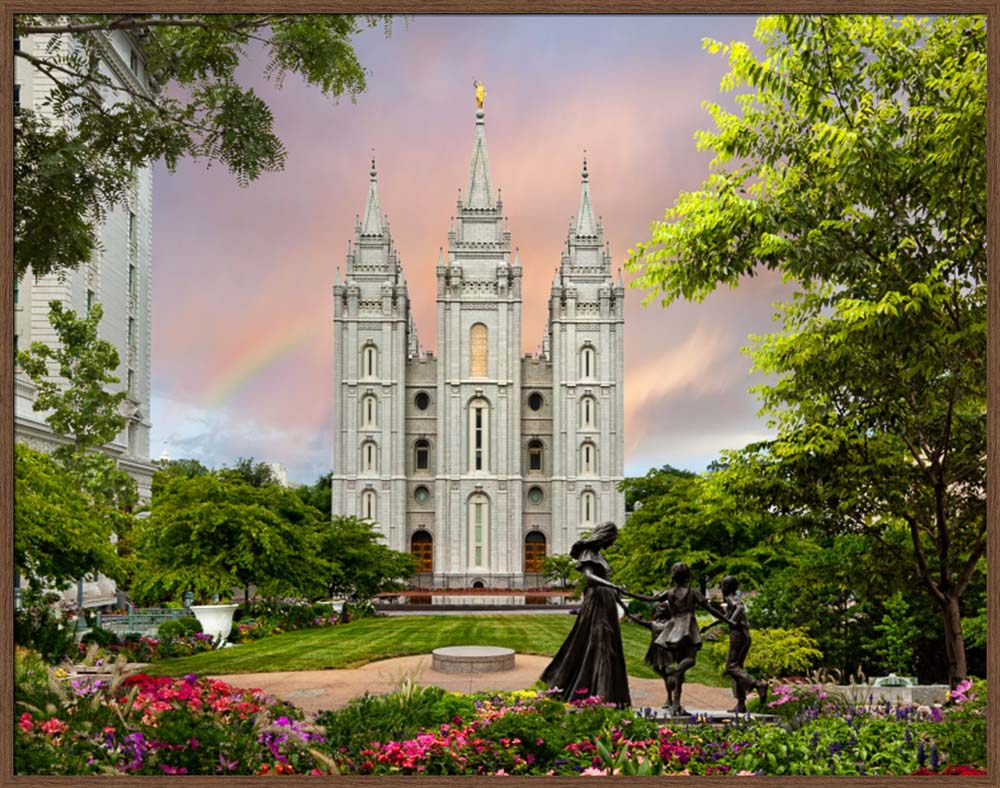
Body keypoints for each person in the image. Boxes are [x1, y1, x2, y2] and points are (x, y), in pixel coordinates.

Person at [540, 521, 631, 708]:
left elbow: (604, 580)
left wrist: (617, 594)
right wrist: (611, 586)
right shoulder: (588, 553)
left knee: (608, 643)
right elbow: (589, 578)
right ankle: (600, 694)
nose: (612, 543)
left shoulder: (600, 555)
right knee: (600, 642)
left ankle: (608, 693)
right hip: (596, 601)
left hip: (606, 601)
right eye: (611, 539)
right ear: (605, 536)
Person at [627, 561, 731, 715]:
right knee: (689, 660)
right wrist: (728, 621)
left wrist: (626, 593)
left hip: (673, 629)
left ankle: (676, 703)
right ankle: (676, 675)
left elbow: (649, 599)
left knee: (682, 664)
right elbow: (711, 610)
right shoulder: (693, 592)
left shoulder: (669, 593)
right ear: (688, 575)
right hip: (688, 628)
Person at [702, 575, 768, 713]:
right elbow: (725, 617)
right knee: (738, 669)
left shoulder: (732, 599)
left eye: (723, 586)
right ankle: (741, 704)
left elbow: (739, 608)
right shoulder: (732, 599)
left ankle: (757, 684)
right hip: (744, 635)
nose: (721, 588)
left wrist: (732, 621)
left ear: (728, 587)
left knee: (731, 667)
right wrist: (709, 626)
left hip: (738, 636)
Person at [623, 602, 678, 709]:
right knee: (658, 669)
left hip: (666, 650)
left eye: (661, 608)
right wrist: (628, 613)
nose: (658, 609)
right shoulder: (653, 623)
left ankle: (670, 698)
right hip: (655, 650)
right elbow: (640, 621)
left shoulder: (671, 623)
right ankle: (670, 681)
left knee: (667, 671)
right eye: (658, 608)